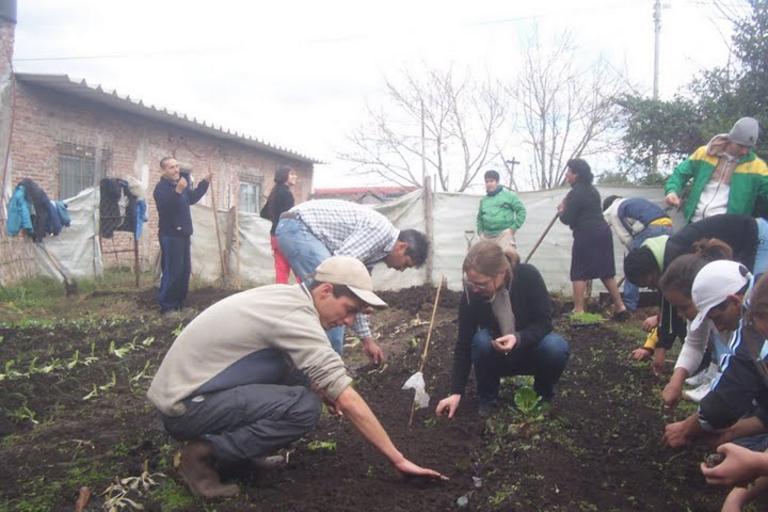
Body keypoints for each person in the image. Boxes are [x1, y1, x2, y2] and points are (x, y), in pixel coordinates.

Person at [147, 255, 447, 498]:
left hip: (193, 393)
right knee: (302, 407)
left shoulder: (290, 297)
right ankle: (201, 457)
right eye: (349, 309)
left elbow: (302, 368)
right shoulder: (295, 316)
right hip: (187, 407)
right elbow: (347, 398)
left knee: (302, 380)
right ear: (325, 291)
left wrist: (320, 386)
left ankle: (239, 454)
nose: (348, 321)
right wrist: (398, 459)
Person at [275, 199, 429, 361]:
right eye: (406, 264)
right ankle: (329, 366)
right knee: (334, 301)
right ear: (402, 247)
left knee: (331, 300)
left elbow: (357, 295)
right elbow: (339, 272)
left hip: (298, 227)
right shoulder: (380, 232)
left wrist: (367, 340)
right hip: (299, 226)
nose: (402, 269)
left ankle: (307, 357)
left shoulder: (374, 254)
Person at [434, 241, 570, 418]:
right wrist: (456, 392)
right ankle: (487, 398)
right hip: (497, 358)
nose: (475, 289)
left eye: (481, 283)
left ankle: (542, 396)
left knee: (555, 347)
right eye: (471, 282)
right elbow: (464, 343)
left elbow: (544, 323)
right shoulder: (472, 294)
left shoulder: (528, 276)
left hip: (531, 353)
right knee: (481, 341)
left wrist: (518, 338)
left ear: (502, 273)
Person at [624, 213, 768, 373]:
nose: (652, 288)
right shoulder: (663, 256)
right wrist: (657, 345)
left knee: (755, 304)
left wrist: (660, 347)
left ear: (650, 271)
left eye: (650, 283)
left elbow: (670, 313)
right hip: (740, 242)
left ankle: (731, 370)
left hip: (756, 236)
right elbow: (671, 311)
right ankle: (718, 368)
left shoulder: (674, 257)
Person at [658, 252, 744, 408]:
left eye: (684, 307)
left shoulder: (732, 314)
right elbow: (694, 344)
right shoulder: (708, 311)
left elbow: (740, 379)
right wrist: (676, 382)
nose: (680, 314)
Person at [557, 158, 627, 319]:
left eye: (569, 172)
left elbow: (567, 218)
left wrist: (561, 210)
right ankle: (620, 307)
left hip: (586, 233)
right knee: (606, 272)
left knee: (579, 272)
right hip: (602, 231)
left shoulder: (575, 193)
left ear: (576, 174)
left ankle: (578, 310)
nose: (566, 175)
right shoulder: (592, 190)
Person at [664, 116, 768, 223]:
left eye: (748, 147)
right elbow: (680, 174)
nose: (744, 151)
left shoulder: (758, 167)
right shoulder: (703, 153)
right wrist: (672, 191)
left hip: (727, 227)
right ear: (731, 139)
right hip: (694, 222)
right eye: (740, 146)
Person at [153, 157, 210, 314]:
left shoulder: (181, 187)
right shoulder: (161, 189)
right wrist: (177, 191)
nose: (176, 170)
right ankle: (167, 307)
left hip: (184, 234)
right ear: (163, 170)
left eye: (177, 166)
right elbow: (166, 209)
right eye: (171, 167)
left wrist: (204, 183)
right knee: (172, 272)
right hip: (170, 235)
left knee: (184, 271)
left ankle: (179, 304)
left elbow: (192, 198)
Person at [602, 195, 673, 310]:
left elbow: (625, 237)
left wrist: (634, 256)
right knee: (661, 265)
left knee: (634, 267)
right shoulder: (631, 202)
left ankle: (630, 304)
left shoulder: (613, 211)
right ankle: (667, 302)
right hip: (667, 224)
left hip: (652, 228)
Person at [260, 165, 299, 284]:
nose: (295, 176)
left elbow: (263, 213)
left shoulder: (275, 192)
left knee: (281, 268)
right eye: (292, 174)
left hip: (275, 235)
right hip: (287, 235)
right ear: (284, 176)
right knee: (299, 265)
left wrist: (276, 219)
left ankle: (281, 291)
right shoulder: (286, 194)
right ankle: (304, 291)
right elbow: (290, 217)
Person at [476, 169, 527, 249]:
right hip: (486, 237)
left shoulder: (509, 196)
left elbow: (521, 211)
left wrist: (513, 228)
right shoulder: (484, 200)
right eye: (487, 181)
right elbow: (479, 219)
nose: (489, 184)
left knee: (509, 254)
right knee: (480, 255)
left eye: (491, 181)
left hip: (504, 235)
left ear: (497, 182)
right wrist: (480, 233)